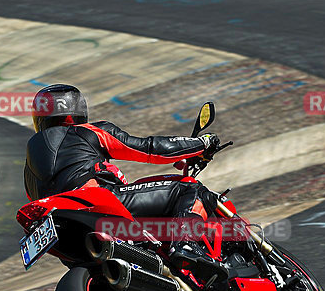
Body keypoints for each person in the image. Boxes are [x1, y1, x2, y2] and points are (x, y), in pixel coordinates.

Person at [23, 84, 221, 228]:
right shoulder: (88, 132)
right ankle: (186, 245)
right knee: (189, 190)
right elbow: (150, 149)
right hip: (97, 203)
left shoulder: (29, 166)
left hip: (62, 224)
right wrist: (201, 143)